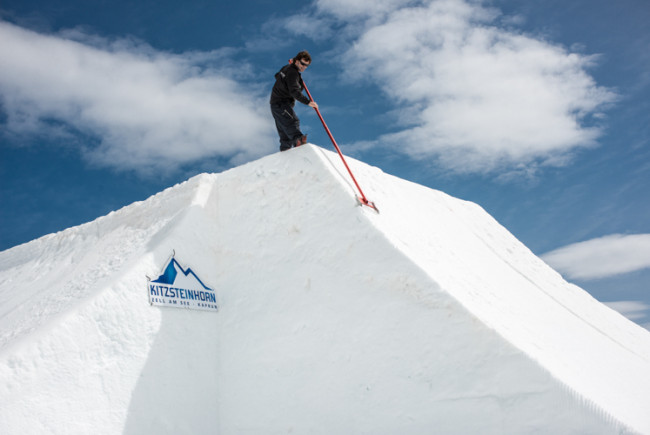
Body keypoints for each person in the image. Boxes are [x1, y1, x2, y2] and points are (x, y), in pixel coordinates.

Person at [270, 51, 319, 151]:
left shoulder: (286, 68)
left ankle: (285, 150)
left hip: (275, 104)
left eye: (306, 66)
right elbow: (294, 92)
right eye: (302, 64)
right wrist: (308, 102)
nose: (304, 67)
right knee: (292, 121)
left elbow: (277, 76)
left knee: (284, 129)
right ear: (296, 61)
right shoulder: (293, 73)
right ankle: (299, 141)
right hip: (281, 103)